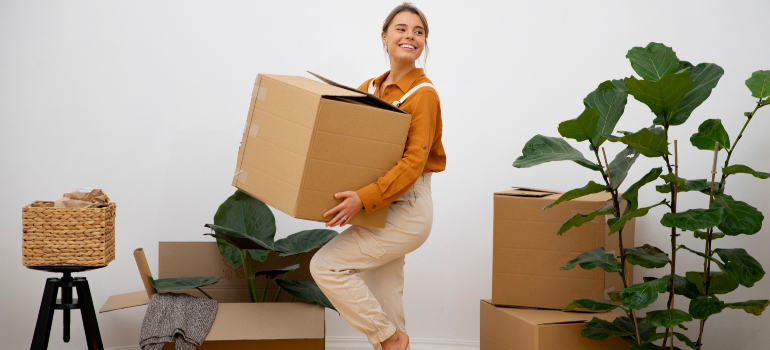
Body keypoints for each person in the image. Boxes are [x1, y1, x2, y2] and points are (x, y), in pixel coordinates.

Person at [310, 3, 445, 350]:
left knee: (326, 267)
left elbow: (413, 164)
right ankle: (394, 338)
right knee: (386, 299)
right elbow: (345, 143)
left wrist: (362, 199)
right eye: (401, 29)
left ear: (423, 43)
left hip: (408, 207)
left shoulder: (424, 95)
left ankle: (389, 338)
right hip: (379, 205)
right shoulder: (369, 87)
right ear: (384, 38)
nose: (410, 36)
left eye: (418, 31)